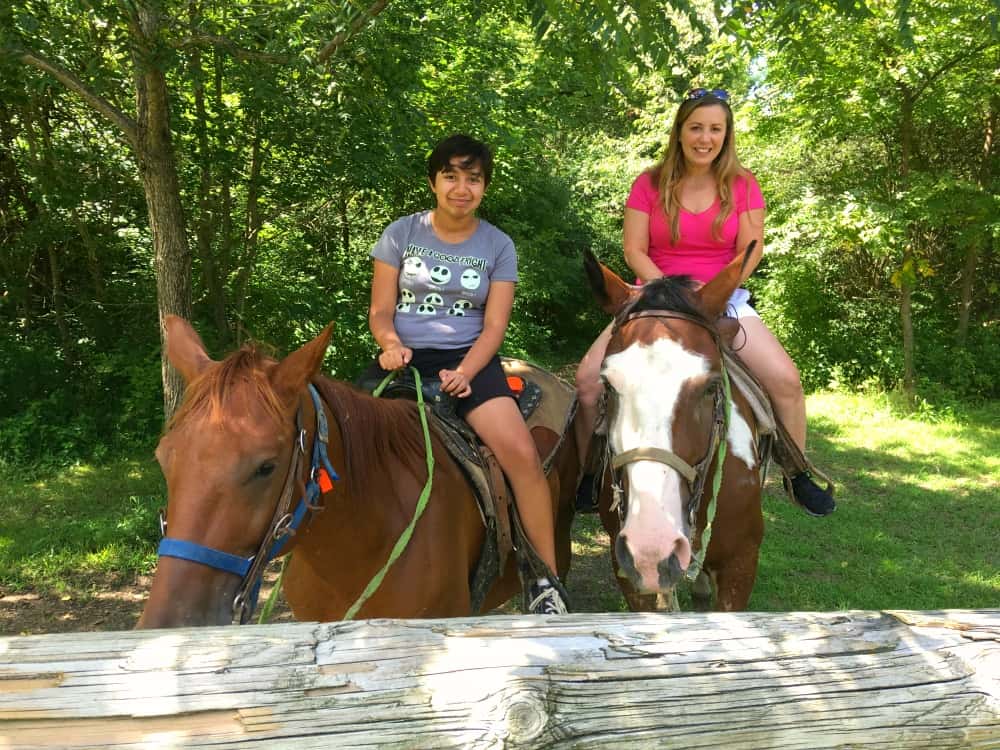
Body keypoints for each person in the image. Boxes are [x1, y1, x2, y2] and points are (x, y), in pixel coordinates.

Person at [575, 87, 835, 517]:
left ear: (726, 134)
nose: (705, 138)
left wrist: (707, 297)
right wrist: (673, 295)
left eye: (715, 129)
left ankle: (796, 470)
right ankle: (589, 475)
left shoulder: (743, 184)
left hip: (722, 298)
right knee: (587, 382)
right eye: (696, 127)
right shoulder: (649, 183)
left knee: (786, 382)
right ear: (680, 132)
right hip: (652, 297)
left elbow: (752, 249)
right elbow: (634, 250)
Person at [364, 133, 569, 614]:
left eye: (472, 179)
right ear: (433, 181)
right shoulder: (400, 234)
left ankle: (544, 580)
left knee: (520, 454)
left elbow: (495, 324)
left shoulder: (498, 245)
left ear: (484, 186)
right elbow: (379, 310)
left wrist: (466, 371)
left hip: (471, 359)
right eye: (451, 176)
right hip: (404, 358)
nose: (461, 187)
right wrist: (391, 346)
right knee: (341, 439)